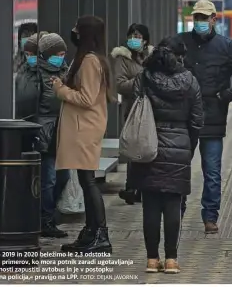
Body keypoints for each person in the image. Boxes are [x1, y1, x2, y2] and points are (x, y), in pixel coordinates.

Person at [179, 0, 232, 234]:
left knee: (212, 172)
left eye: (205, 18)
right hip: (184, 117)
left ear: (214, 19)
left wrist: (228, 95)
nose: (201, 22)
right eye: (197, 18)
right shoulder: (180, 43)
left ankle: (210, 217)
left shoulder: (225, 46)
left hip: (213, 117)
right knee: (179, 168)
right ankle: (177, 212)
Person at [130, 37, 203, 274]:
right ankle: (171, 259)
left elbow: (135, 109)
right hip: (179, 144)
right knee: (173, 203)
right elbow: (197, 120)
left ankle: (152, 260)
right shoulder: (190, 81)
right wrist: (188, 147)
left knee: (150, 204)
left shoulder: (145, 77)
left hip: (148, 144)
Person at [52, 15, 115, 254]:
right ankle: (92, 232)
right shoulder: (93, 59)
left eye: (77, 28)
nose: (73, 31)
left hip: (84, 129)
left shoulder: (89, 61)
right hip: (85, 127)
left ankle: (99, 233)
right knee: (86, 180)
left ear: (85, 33)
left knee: (88, 181)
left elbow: (87, 98)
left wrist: (60, 89)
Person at [112, 23, 153, 205]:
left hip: (151, 108)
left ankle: (143, 187)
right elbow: (119, 84)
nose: (133, 40)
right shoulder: (122, 57)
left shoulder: (152, 56)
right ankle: (132, 187)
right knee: (135, 146)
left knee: (147, 144)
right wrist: (140, 80)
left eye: (137, 36)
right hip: (133, 108)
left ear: (145, 41)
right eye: (131, 36)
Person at [35, 33, 71, 238]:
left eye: (64, 52)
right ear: (48, 54)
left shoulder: (65, 69)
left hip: (62, 130)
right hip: (45, 130)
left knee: (63, 176)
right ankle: (46, 219)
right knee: (48, 178)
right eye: (58, 53)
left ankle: (49, 212)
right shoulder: (38, 73)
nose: (62, 56)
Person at [14, 32, 48, 120]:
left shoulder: (47, 72)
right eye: (27, 54)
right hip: (21, 120)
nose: (30, 57)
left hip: (38, 122)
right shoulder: (23, 69)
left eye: (33, 54)